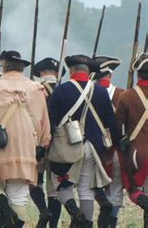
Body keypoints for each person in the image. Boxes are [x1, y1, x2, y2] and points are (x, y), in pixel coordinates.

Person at [0, 50, 51, 227]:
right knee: (19, 194)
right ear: (22, 67)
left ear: (4, 66)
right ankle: (14, 220)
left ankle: (5, 209)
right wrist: (42, 145)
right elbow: (44, 124)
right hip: (26, 148)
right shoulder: (36, 88)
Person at [48, 54, 117, 227]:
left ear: (71, 70)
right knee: (86, 190)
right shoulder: (101, 92)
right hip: (93, 147)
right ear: (88, 72)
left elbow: (51, 121)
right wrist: (114, 145)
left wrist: (45, 145)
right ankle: (86, 223)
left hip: (66, 146)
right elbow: (111, 122)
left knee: (62, 184)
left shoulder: (60, 90)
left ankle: (74, 212)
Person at [115, 53, 148, 226]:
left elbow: (117, 126)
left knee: (136, 191)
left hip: (138, 154)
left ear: (137, 73)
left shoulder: (126, 96)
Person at [30, 57, 64, 228]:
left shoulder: (34, 90)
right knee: (54, 190)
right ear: (57, 73)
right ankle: (53, 225)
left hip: (37, 142)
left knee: (35, 182)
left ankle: (43, 211)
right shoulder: (64, 90)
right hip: (60, 143)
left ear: (41, 73)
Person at [92, 56, 125, 227]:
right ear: (110, 75)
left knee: (90, 186)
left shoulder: (90, 92)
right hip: (117, 149)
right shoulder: (122, 94)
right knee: (116, 189)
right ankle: (110, 221)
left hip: (94, 148)